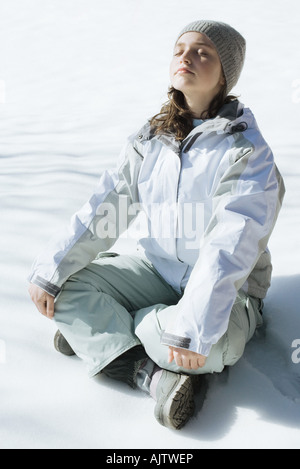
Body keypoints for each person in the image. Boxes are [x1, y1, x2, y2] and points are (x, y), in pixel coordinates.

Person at [28, 20, 285, 430]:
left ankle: (106, 337)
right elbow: (106, 207)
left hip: (230, 293)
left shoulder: (246, 150)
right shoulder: (151, 138)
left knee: (204, 344)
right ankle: (150, 371)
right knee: (66, 289)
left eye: (203, 51)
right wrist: (52, 270)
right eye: (181, 48)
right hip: (157, 270)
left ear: (224, 75)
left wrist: (193, 329)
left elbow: (230, 245)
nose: (187, 56)